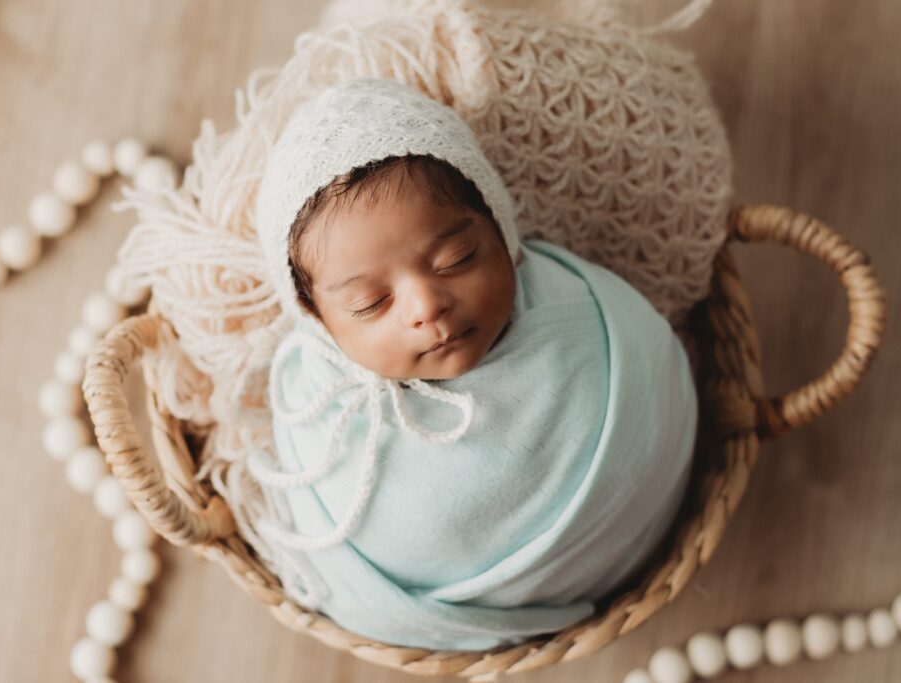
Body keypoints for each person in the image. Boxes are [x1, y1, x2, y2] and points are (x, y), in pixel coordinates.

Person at [249, 78, 697, 650]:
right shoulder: (314, 405)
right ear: (315, 319)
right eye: (370, 303)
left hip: (645, 545)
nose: (426, 306)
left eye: (456, 258)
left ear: (502, 226)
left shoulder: (585, 316)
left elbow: (658, 391)